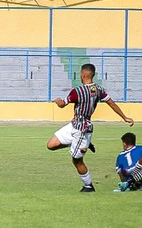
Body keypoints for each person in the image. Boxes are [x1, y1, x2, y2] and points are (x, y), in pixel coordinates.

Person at [48, 63, 134, 192]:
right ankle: (82, 144)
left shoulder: (77, 91)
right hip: (74, 125)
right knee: (51, 145)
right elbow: (111, 103)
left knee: (77, 161)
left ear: (83, 75)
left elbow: (62, 104)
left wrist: (57, 100)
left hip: (82, 130)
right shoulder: (99, 89)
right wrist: (124, 117)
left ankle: (89, 186)